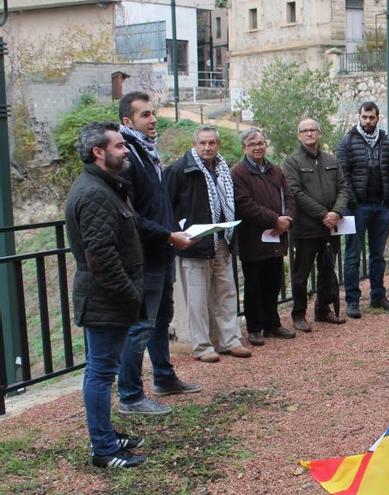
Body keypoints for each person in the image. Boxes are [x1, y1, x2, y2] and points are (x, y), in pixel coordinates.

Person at [65, 121, 146, 468]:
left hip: (106, 297)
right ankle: (104, 449)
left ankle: (106, 434)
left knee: (101, 370)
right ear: (99, 152)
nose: (126, 150)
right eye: (118, 146)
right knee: (100, 372)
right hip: (105, 298)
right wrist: (131, 294)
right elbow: (101, 256)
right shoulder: (95, 193)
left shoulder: (105, 186)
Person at [116, 92, 201, 417]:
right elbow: (131, 215)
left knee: (161, 319)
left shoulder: (145, 152)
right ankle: (130, 396)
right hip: (146, 256)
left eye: (153, 114)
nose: (153, 120)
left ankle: (164, 378)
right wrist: (168, 233)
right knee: (140, 326)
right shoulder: (127, 157)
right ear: (128, 121)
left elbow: (155, 201)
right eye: (145, 115)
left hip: (162, 250)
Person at [165, 125, 251, 362]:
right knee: (197, 298)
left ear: (218, 145)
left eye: (212, 143)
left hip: (221, 240)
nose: (207, 147)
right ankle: (202, 346)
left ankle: (230, 340)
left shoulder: (223, 170)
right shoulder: (179, 170)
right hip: (194, 243)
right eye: (202, 143)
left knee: (226, 293)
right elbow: (166, 206)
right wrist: (177, 234)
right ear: (195, 144)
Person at [283, 117, 350, 332]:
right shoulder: (292, 162)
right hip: (305, 228)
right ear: (299, 135)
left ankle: (323, 308)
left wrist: (336, 212)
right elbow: (295, 192)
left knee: (327, 270)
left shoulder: (331, 159)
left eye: (313, 130)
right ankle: (299, 314)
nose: (310, 133)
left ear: (319, 133)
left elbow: (343, 188)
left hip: (330, 227)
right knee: (301, 274)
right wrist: (323, 214)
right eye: (305, 131)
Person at [231, 128, 296, 345]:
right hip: (253, 239)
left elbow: (288, 196)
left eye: (261, 143)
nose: (258, 147)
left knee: (274, 282)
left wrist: (287, 219)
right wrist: (273, 220)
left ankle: (272, 323)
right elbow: (244, 205)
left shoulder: (275, 170)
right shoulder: (238, 172)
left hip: (276, 238)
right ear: (244, 148)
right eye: (252, 144)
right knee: (254, 285)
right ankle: (255, 327)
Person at [337, 102, 389, 319]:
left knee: (378, 255)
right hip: (358, 207)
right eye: (364, 117)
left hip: (381, 206)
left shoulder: (385, 140)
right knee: (353, 254)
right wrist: (353, 202)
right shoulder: (347, 141)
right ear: (359, 116)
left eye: (372, 117)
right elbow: (342, 175)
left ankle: (378, 296)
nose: (368, 121)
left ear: (377, 118)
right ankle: (353, 301)